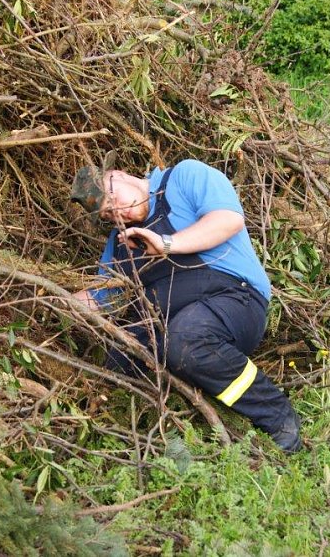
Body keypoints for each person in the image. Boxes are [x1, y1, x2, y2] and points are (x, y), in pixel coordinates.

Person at [70, 152, 302, 453]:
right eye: (107, 215)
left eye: (113, 199)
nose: (119, 214)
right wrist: (52, 302)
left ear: (119, 174)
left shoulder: (185, 177)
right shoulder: (119, 244)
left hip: (235, 299)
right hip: (172, 327)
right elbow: (103, 300)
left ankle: (277, 416)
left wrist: (166, 244)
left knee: (185, 340)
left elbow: (228, 219)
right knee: (118, 361)